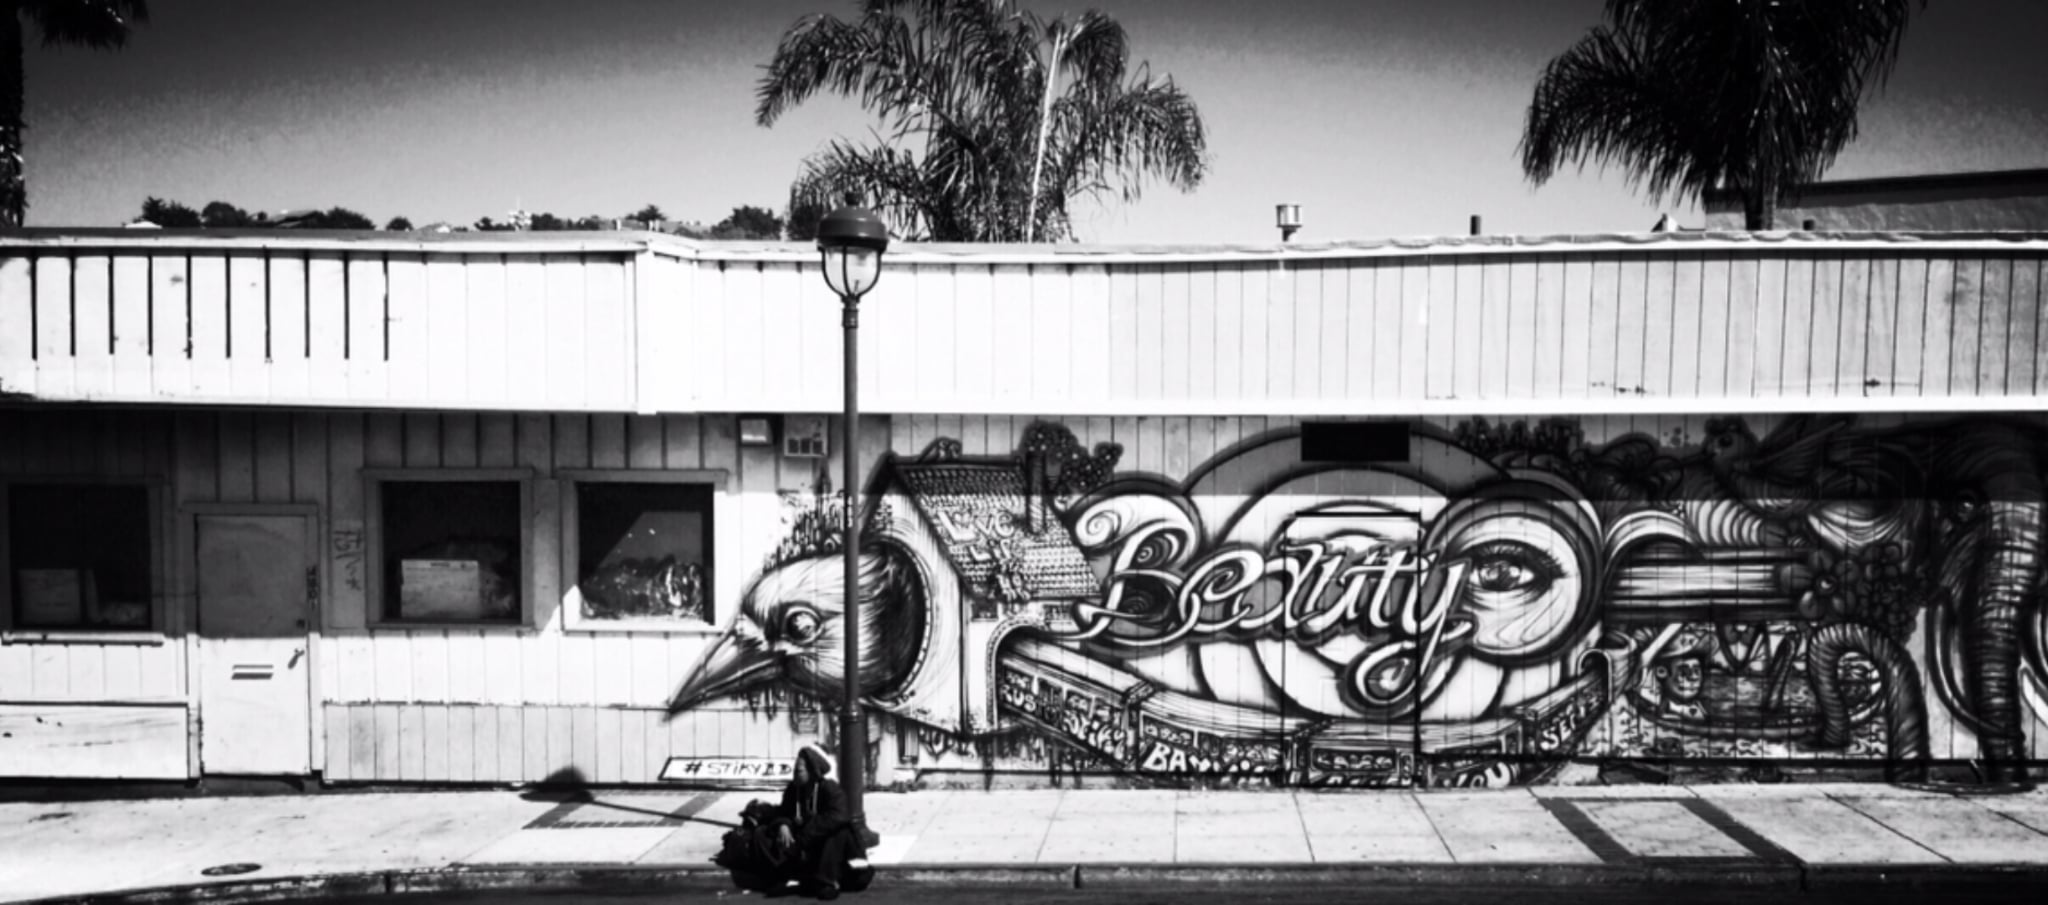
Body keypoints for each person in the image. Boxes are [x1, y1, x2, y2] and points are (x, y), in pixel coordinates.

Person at [765, 743, 868, 899]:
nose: (794, 774)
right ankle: (788, 875)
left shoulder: (830, 789)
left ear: (812, 771)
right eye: (794, 770)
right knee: (763, 834)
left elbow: (838, 816)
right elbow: (783, 811)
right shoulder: (793, 790)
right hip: (806, 843)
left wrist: (805, 836)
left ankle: (827, 881)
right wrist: (783, 825)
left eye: (799, 771)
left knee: (837, 832)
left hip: (828, 844)